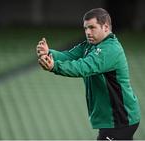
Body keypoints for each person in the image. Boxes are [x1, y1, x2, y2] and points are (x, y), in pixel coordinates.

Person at [36, 8, 141, 140]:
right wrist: (49, 53)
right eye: (85, 28)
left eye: (92, 27)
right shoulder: (90, 45)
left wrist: (54, 66)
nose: (88, 32)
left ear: (106, 27)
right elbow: (69, 55)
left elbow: (83, 67)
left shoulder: (110, 49)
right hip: (116, 119)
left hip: (120, 120)